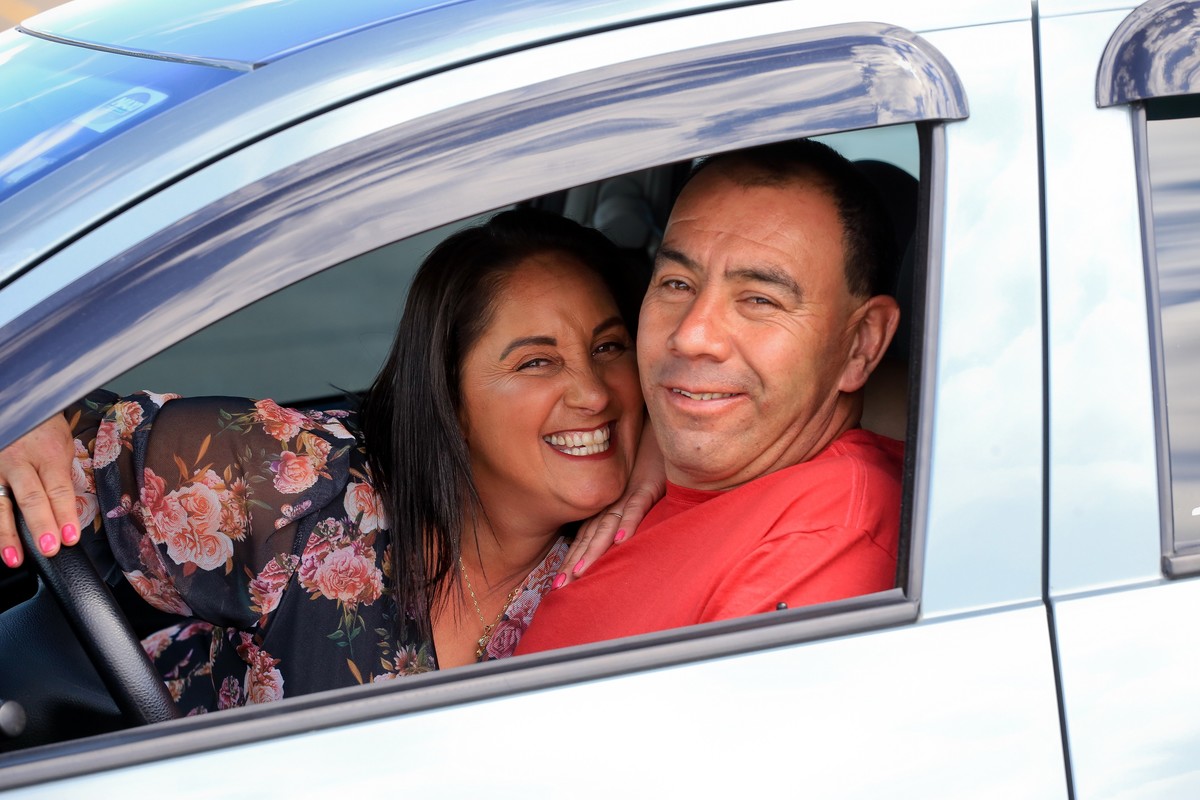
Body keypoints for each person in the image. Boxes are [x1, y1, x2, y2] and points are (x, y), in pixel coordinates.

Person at [0, 208, 656, 710]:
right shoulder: (300, 483)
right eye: (537, 362)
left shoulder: (640, 552)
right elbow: (52, 433)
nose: (594, 393)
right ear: (449, 396)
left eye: (609, 348)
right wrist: (22, 407)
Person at [515, 139, 904, 653]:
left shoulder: (823, 537)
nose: (692, 335)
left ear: (861, 343)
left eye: (759, 299)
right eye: (677, 284)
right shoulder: (612, 460)